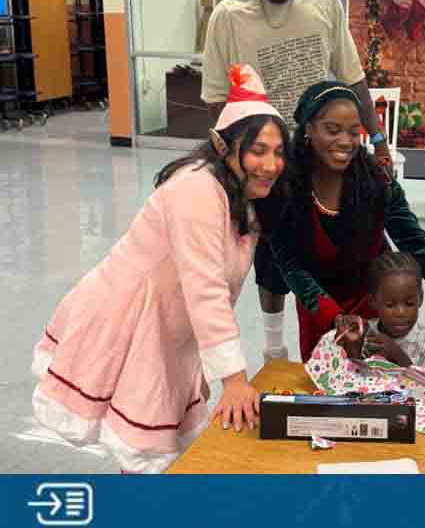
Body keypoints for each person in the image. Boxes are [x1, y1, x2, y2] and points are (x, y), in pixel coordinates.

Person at [31, 65, 288, 473]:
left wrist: (211, 364)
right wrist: (234, 379)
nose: (271, 165)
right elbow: (206, 290)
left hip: (173, 323)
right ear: (223, 146)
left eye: (278, 152)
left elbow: (220, 291)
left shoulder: (243, 198)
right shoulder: (197, 189)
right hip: (132, 316)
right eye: (257, 150)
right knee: (141, 446)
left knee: (153, 442)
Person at [202, 0, 393, 361]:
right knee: (271, 256)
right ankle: (273, 348)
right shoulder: (228, 17)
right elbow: (215, 99)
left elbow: (353, 77)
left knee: (348, 243)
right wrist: (227, 164)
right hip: (265, 162)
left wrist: (379, 140)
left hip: (326, 152)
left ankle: (353, 339)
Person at [261, 81, 425, 362]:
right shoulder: (283, 187)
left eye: (354, 131)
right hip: (319, 307)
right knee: (328, 393)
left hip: (376, 303)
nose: (346, 142)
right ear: (308, 130)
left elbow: (415, 242)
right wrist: (333, 317)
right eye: (333, 130)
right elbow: (289, 264)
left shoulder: (377, 180)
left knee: (379, 390)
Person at [329, 252, 425, 370]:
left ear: (421, 299)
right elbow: (351, 378)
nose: (401, 312)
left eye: (409, 304)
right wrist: (352, 346)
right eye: (390, 305)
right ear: (372, 301)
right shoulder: (365, 333)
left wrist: (396, 354)